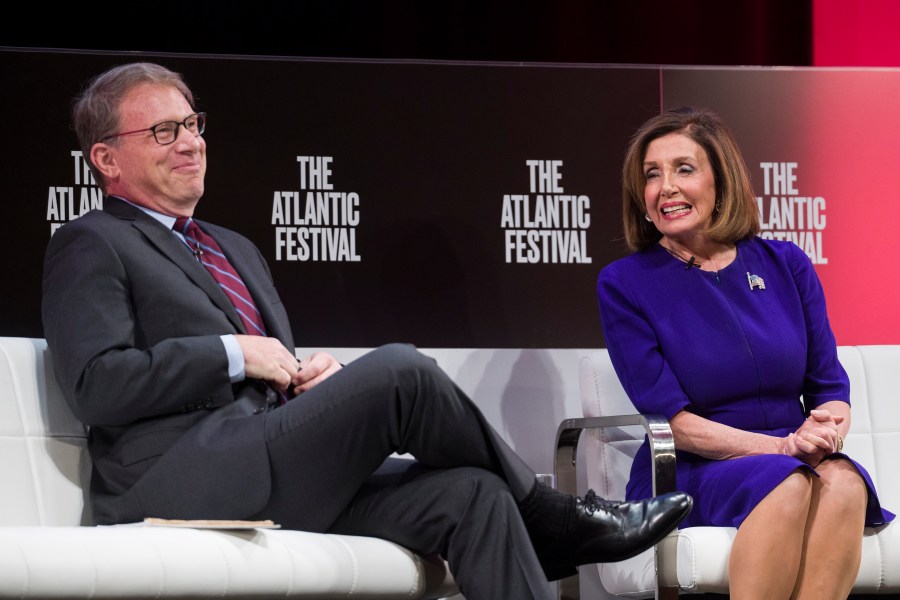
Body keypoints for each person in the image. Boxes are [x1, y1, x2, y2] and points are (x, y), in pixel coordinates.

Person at [41, 62, 692, 600]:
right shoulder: (91, 243)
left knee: (475, 495)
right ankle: (555, 518)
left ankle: (533, 513)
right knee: (400, 372)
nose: (190, 141)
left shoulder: (233, 247)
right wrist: (231, 354)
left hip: (267, 468)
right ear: (106, 158)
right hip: (178, 480)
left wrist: (301, 382)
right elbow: (97, 385)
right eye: (163, 131)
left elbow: (264, 378)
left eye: (192, 123)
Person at [597, 106, 895, 600]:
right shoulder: (625, 284)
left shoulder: (786, 263)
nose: (665, 186)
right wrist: (780, 449)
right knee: (788, 481)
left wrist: (826, 429)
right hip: (692, 467)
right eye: (652, 175)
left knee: (845, 483)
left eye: (684, 169)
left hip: (790, 455)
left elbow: (829, 385)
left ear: (722, 181)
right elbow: (674, 423)